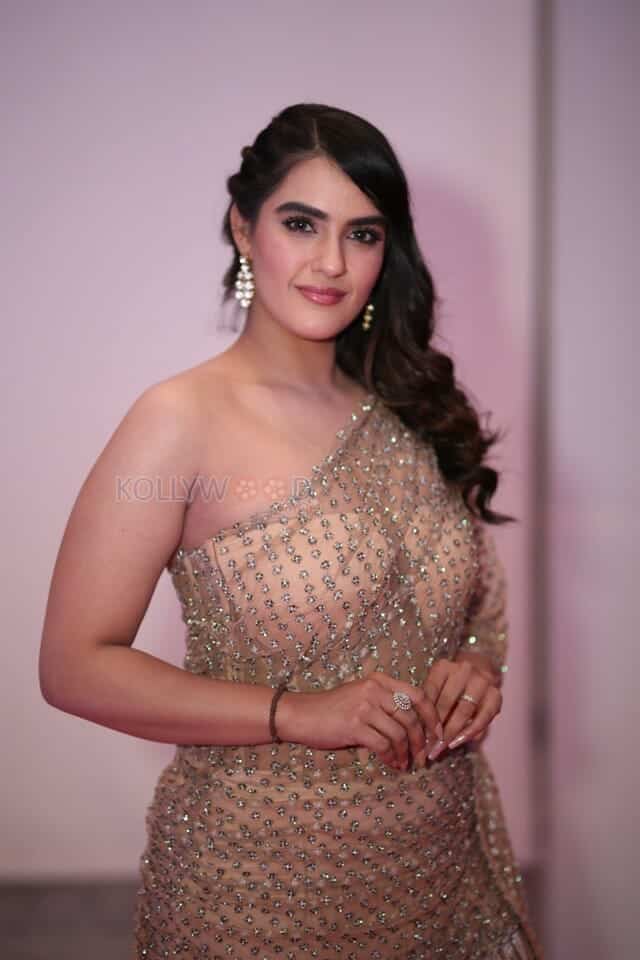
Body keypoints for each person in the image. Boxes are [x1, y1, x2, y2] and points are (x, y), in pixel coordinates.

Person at [39, 103, 543, 959]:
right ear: (244, 227)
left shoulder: (411, 408)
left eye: (363, 234)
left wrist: (476, 671)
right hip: (255, 895)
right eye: (301, 223)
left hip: (447, 877)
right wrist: (295, 714)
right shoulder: (178, 420)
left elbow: (478, 609)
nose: (331, 262)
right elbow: (74, 666)